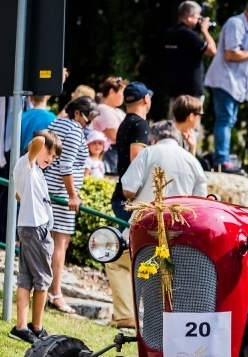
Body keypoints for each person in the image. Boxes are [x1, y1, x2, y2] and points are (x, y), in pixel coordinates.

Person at [107, 120, 208, 328]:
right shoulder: (192, 161)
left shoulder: (148, 153)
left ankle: (126, 315)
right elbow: (201, 201)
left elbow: (128, 189)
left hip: (146, 226)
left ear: (153, 138)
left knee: (116, 261)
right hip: (181, 234)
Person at [43, 96, 99, 314]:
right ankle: (55, 293)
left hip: (49, 189)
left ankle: (45, 288)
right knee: (60, 243)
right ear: (77, 113)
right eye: (89, 117)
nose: (90, 123)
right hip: (61, 195)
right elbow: (66, 166)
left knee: (48, 242)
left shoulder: (55, 123)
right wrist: (73, 195)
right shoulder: (75, 130)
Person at [204, 0, 248, 173]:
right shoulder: (236, 24)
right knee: (225, 120)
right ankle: (222, 160)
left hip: (237, 84)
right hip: (225, 80)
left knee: (230, 121)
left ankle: (223, 157)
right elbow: (230, 53)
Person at [9, 130, 63, 343]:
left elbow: (19, 194)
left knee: (27, 279)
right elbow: (38, 141)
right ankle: (36, 327)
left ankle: (21, 327)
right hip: (34, 229)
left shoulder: (35, 171)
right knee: (43, 279)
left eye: (53, 156)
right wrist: (44, 140)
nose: (50, 158)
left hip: (35, 229)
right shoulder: (27, 164)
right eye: (48, 153)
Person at [111, 81, 153, 223]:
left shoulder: (125, 123)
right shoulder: (140, 124)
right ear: (146, 99)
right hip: (130, 199)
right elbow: (136, 158)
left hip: (121, 196)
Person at [164, 1, 217, 104]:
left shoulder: (170, 33)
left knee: (175, 119)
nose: (199, 21)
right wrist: (205, 31)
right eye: (198, 17)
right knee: (192, 120)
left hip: (174, 89)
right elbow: (212, 51)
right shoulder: (188, 35)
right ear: (189, 17)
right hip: (192, 91)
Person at [92, 76, 127, 175]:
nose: (124, 97)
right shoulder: (103, 109)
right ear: (112, 92)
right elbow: (115, 136)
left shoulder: (116, 111)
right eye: (122, 93)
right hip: (110, 157)